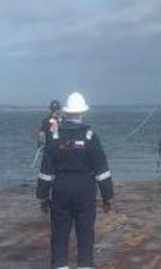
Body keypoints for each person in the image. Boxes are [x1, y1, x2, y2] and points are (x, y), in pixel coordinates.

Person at [36, 92, 114, 269]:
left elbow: (46, 170)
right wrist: (107, 195)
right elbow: (102, 169)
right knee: (85, 232)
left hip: (61, 188)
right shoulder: (90, 136)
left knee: (59, 234)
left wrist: (42, 195)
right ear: (82, 112)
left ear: (67, 112)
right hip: (85, 189)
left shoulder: (54, 137)